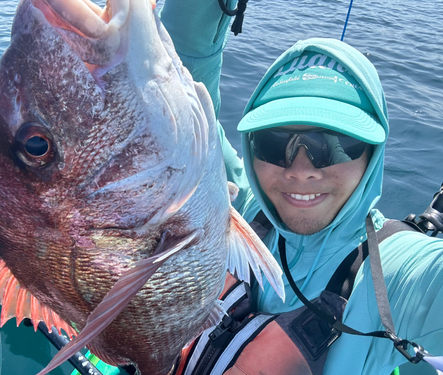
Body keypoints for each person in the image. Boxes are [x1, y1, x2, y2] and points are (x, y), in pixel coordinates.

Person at [74, 1, 443, 375]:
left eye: (333, 145)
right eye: (272, 142)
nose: (300, 171)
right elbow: (182, 68)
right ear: (250, 149)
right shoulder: (234, 204)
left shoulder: (397, 275)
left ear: (373, 154)